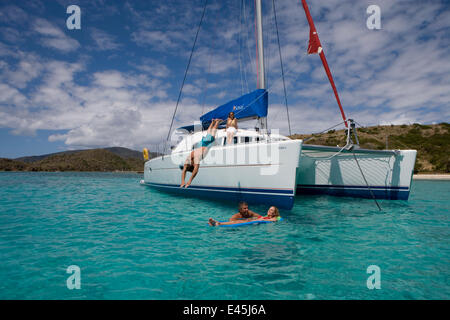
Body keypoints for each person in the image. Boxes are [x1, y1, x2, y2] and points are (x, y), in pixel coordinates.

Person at [180, 119, 221, 188]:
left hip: (205, 145)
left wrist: (187, 182)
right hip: (201, 145)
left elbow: (192, 171)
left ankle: (216, 122)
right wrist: (183, 182)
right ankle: (213, 122)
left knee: (212, 134)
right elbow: (186, 170)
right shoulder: (191, 159)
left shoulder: (195, 159)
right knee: (209, 134)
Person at [208, 202, 281, 226]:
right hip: (250, 221)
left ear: (274, 213)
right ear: (240, 210)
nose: (268, 210)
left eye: (271, 210)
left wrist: (261, 219)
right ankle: (219, 223)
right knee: (241, 221)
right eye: (269, 209)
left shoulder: (275, 217)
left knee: (244, 221)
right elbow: (232, 221)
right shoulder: (236, 215)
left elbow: (273, 219)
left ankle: (219, 223)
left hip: (253, 221)